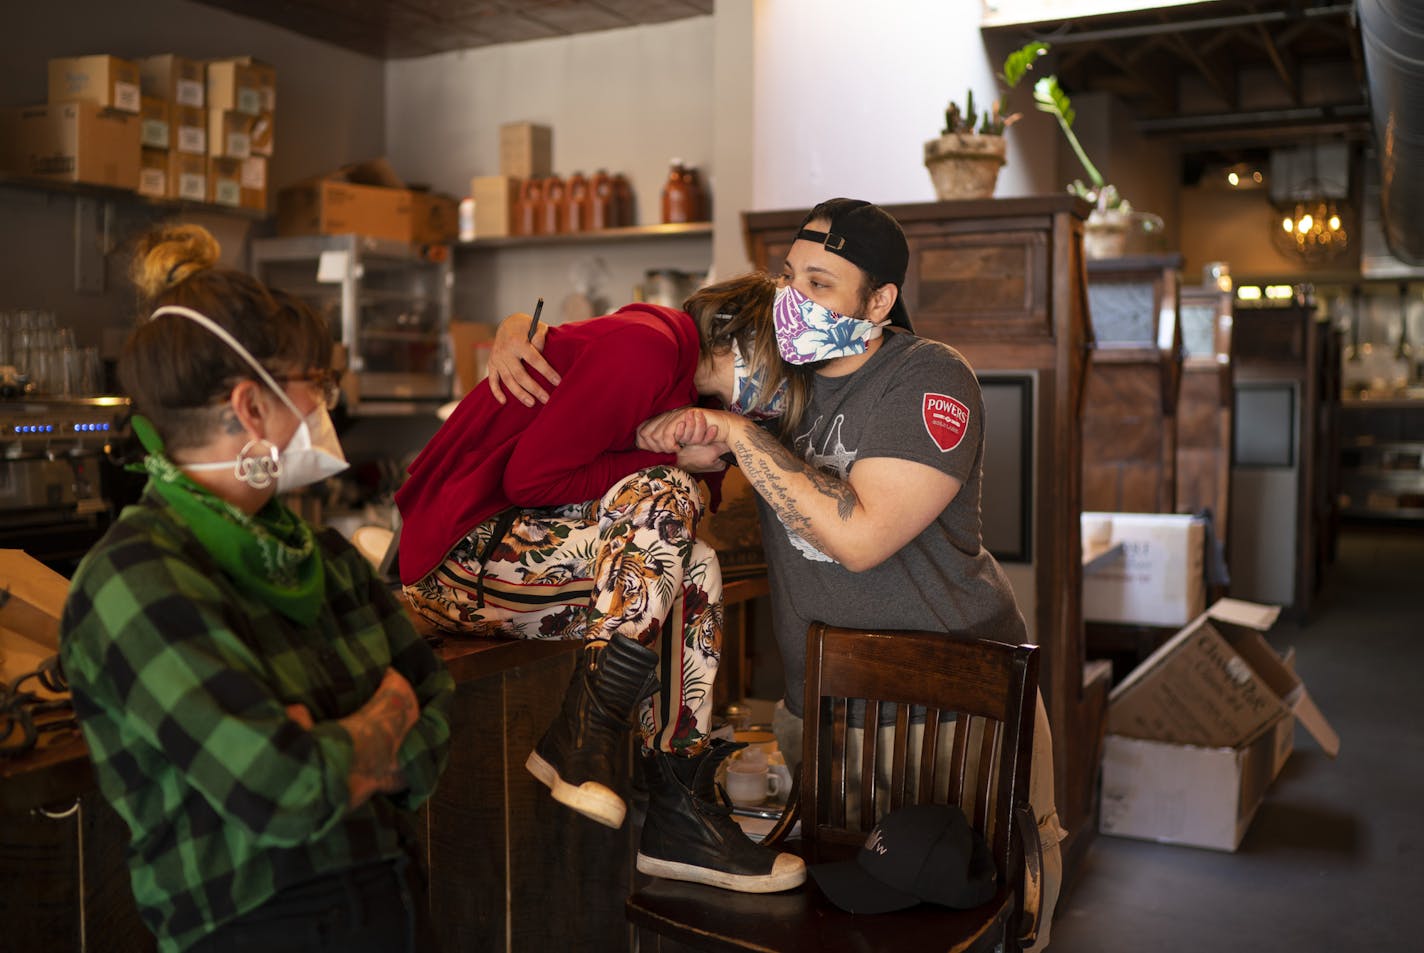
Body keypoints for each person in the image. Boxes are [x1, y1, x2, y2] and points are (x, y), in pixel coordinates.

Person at [492, 199, 1065, 948]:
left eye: (821, 283)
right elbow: (642, 343)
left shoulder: (927, 375)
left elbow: (860, 537)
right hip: (823, 711)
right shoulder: (767, 376)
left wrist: (731, 431)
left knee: (985, 908)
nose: (795, 298)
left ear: (880, 300)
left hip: (959, 716)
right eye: (789, 276)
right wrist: (525, 335)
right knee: (847, 916)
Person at [59, 225, 454, 953]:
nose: (325, 406)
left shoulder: (325, 556)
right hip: (256, 929)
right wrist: (383, 717)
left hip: (394, 899)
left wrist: (333, 742)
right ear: (250, 407)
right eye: (317, 384)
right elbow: (284, 790)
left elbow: (435, 707)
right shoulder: (133, 578)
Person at [394, 273, 808, 894]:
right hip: (458, 555)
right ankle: (585, 730)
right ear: (741, 338)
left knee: (696, 564)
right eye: (782, 360)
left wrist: (685, 448)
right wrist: (665, 458)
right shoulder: (648, 350)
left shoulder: (694, 393)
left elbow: (689, 511)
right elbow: (532, 481)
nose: (781, 386)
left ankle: (679, 814)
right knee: (666, 490)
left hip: (518, 555)